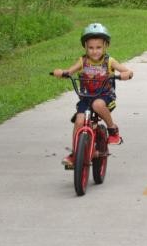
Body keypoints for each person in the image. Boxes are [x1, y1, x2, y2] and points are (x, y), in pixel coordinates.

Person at [52, 23, 134, 168]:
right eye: (91, 48)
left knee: (97, 104)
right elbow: (69, 71)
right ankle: (75, 153)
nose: (94, 51)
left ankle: (112, 129)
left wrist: (126, 74)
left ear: (105, 46)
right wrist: (62, 72)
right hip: (86, 97)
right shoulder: (82, 61)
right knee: (79, 120)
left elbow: (126, 70)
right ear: (85, 47)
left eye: (98, 47)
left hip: (104, 96)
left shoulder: (109, 61)